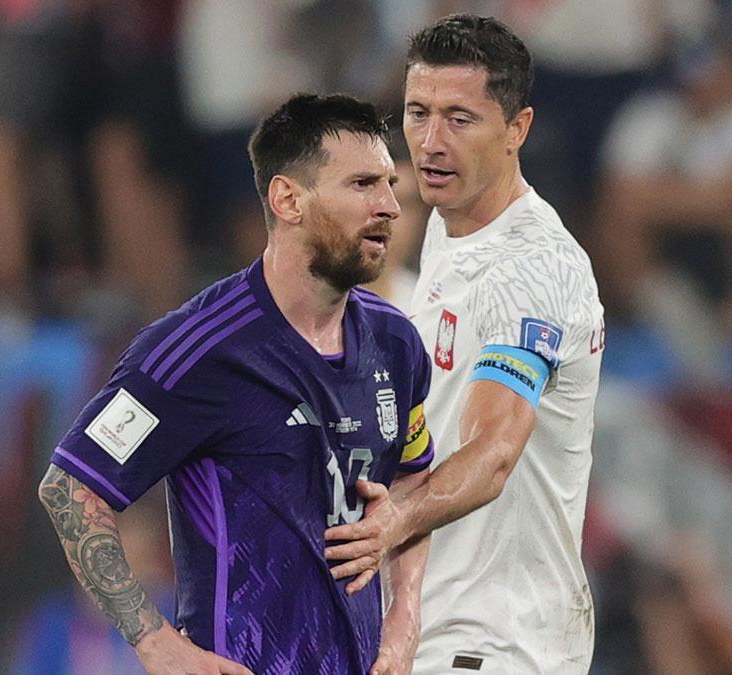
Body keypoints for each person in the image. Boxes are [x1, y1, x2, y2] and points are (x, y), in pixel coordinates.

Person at [37, 93, 436, 675]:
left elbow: (414, 477)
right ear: (288, 198)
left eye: (389, 184)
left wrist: (404, 620)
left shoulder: (397, 343)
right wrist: (154, 641)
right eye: (362, 185)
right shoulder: (198, 349)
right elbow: (70, 487)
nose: (390, 207)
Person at [324, 14, 606, 674]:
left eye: (460, 118)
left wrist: (388, 523)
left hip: (496, 641)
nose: (431, 141)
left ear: (518, 129)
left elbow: (494, 449)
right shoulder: (451, 234)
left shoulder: (530, 268)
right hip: (445, 633)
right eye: (418, 113)